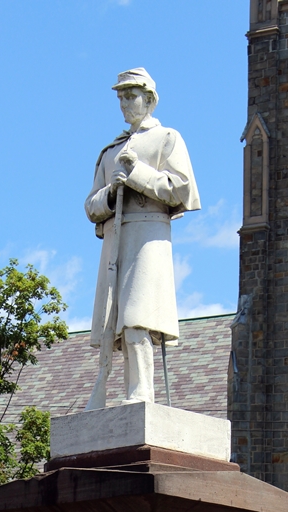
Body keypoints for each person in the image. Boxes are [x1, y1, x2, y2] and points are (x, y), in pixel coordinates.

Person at [84, 68, 200, 410]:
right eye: (120, 96)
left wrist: (137, 174)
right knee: (115, 325)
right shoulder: (110, 152)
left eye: (131, 95)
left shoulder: (167, 138)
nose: (124, 102)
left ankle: (142, 391)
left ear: (149, 99)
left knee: (138, 316)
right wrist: (111, 191)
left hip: (148, 236)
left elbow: (182, 189)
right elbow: (90, 206)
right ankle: (123, 390)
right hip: (115, 238)